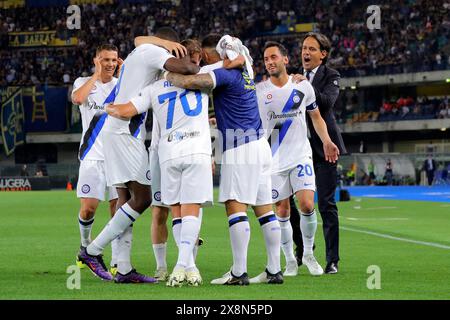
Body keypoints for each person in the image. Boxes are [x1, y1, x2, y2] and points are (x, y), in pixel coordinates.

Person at [77, 27, 200, 283]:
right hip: (124, 132)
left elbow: (139, 39)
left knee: (124, 199)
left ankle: (123, 268)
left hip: (118, 131)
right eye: (177, 52)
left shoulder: (141, 50)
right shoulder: (154, 53)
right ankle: (92, 251)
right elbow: (189, 69)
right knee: (142, 198)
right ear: (172, 47)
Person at [166, 34, 283, 285]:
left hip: (239, 146)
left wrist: (167, 76)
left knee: (235, 205)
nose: (202, 60)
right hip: (260, 144)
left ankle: (239, 273)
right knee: (265, 210)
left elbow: (193, 81)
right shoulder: (246, 71)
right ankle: (274, 270)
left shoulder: (224, 71)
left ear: (211, 54)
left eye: (204, 57)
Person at [107, 39, 213, 287]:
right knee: (187, 210)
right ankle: (182, 266)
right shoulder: (206, 77)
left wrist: (107, 108)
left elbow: (124, 110)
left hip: (166, 153)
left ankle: (185, 266)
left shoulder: (155, 86)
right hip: (195, 151)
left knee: (175, 210)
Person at [256, 41, 339, 278]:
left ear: (284, 59)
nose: (270, 62)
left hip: (301, 154)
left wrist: (326, 141)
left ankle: (309, 255)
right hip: (273, 159)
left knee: (307, 205)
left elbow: (316, 117)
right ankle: (290, 260)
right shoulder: (260, 91)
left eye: (273, 57)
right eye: (265, 59)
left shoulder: (302, 86)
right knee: (281, 211)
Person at [288, 32, 347, 274]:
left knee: (325, 203)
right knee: (289, 203)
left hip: (324, 148)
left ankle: (332, 259)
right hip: (296, 148)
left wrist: (305, 85)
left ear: (323, 54)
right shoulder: (291, 76)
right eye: (304, 48)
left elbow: (325, 104)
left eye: (312, 49)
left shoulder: (331, 76)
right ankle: (302, 250)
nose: (306, 53)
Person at [71, 44, 120, 274]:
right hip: (91, 155)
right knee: (89, 209)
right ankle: (85, 245)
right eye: (105, 59)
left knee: (117, 209)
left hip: (117, 157)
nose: (109, 63)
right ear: (96, 60)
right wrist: (96, 74)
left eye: (113, 60)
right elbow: (78, 99)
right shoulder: (83, 82)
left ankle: (119, 261)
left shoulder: (121, 86)